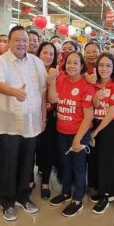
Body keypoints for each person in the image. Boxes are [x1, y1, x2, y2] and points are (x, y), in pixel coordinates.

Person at [0, 26, 46, 221]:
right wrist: (15, 92)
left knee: (27, 162)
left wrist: (43, 117)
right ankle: (7, 201)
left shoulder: (37, 62)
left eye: (25, 40)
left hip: (32, 123)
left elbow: (43, 91)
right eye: (17, 40)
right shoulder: (0, 61)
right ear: (9, 42)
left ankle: (23, 196)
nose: (22, 43)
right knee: (8, 163)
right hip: (10, 123)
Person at [47, 51, 94, 217]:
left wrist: (78, 139)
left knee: (79, 168)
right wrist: (52, 81)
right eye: (69, 63)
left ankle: (78, 199)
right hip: (61, 132)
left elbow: (89, 116)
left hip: (78, 134)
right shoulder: (61, 80)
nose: (72, 66)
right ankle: (66, 193)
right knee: (64, 165)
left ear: (81, 66)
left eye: (76, 63)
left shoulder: (86, 86)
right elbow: (53, 100)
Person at [88, 52, 114, 214]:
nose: (104, 68)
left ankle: (107, 194)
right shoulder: (94, 84)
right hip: (94, 122)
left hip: (108, 127)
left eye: (108, 65)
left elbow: (111, 113)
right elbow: (94, 106)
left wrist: (96, 131)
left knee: (107, 160)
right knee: (95, 158)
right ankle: (98, 188)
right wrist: (96, 97)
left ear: (113, 68)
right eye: (101, 65)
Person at [35, 41, 59, 199]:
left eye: (51, 54)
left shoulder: (57, 72)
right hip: (31, 114)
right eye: (45, 52)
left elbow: (54, 99)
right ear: (38, 54)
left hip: (50, 116)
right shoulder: (30, 70)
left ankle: (45, 182)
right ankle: (29, 180)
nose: (48, 56)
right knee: (32, 147)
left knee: (48, 148)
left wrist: (52, 81)